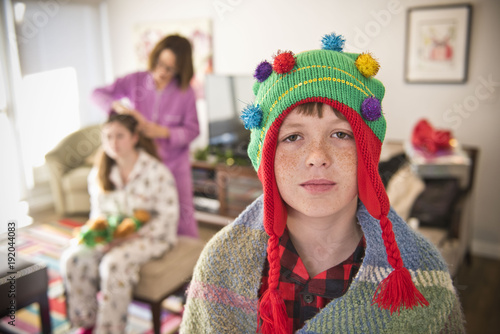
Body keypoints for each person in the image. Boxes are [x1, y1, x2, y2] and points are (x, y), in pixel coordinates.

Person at [180, 33, 465, 333]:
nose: (317, 157)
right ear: (266, 158)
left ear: (367, 153)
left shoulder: (423, 274)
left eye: (341, 134)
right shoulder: (219, 264)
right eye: (292, 137)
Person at [60, 113, 179, 334]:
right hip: (112, 235)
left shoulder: (157, 173)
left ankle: (109, 330)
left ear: (134, 137)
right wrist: (103, 236)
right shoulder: (99, 174)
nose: (113, 143)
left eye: (119, 136)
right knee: (72, 258)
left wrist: (129, 236)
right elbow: (98, 216)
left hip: (152, 237)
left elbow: (168, 218)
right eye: (107, 137)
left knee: (113, 264)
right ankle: (86, 322)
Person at [92, 34, 200, 238]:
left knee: (183, 216)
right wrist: (114, 106)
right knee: (144, 215)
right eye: (159, 64)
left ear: (181, 69)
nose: (162, 72)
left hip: (175, 165)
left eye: (170, 68)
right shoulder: (135, 81)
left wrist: (163, 132)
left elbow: (193, 130)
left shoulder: (186, 92)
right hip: (142, 164)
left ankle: (191, 262)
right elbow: (97, 94)